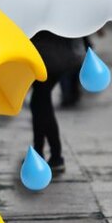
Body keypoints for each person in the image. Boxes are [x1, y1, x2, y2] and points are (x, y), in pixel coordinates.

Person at [29, 32, 84, 174]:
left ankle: (55, 156)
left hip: (44, 57)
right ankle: (40, 152)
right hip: (58, 57)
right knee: (38, 103)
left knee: (42, 104)